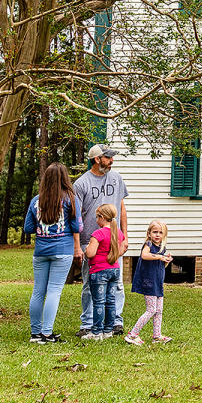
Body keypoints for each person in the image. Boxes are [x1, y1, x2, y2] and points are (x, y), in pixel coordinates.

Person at [23, 163, 83, 344]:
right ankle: (47, 333)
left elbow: (28, 228)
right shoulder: (70, 199)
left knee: (38, 292)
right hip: (62, 250)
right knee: (54, 291)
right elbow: (77, 226)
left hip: (41, 251)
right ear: (65, 178)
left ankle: (35, 334)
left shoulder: (36, 200)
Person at [74, 144, 129, 336]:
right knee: (90, 284)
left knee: (117, 284)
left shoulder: (117, 178)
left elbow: (121, 209)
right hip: (90, 242)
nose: (112, 160)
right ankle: (88, 324)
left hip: (114, 242)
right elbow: (76, 216)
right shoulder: (81, 184)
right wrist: (77, 246)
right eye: (108, 157)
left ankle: (115, 322)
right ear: (97, 159)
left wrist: (125, 236)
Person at [126, 219, 174, 345]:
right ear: (149, 233)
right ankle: (132, 335)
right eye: (155, 232)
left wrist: (166, 260)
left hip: (158, 283)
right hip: (149, 282)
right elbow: (144, 256)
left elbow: (160, 266)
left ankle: (157, 336)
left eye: (160, 232)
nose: (157, 235)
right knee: (151, 310)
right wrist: (159, 256)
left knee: (159, 310)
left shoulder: (161, 248)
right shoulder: (148, 245)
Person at [83, 204, 126, 341]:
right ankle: (108, 330)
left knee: (99, 302)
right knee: (110, 301)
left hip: (99, 271)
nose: (96, 220)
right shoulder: (118, 233)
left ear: (102, 217)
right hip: (114, 270)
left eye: (97, 217)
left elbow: (90, 253)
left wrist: (85, 250)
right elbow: (120, 251)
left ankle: (96, 332)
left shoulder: (98, 234)